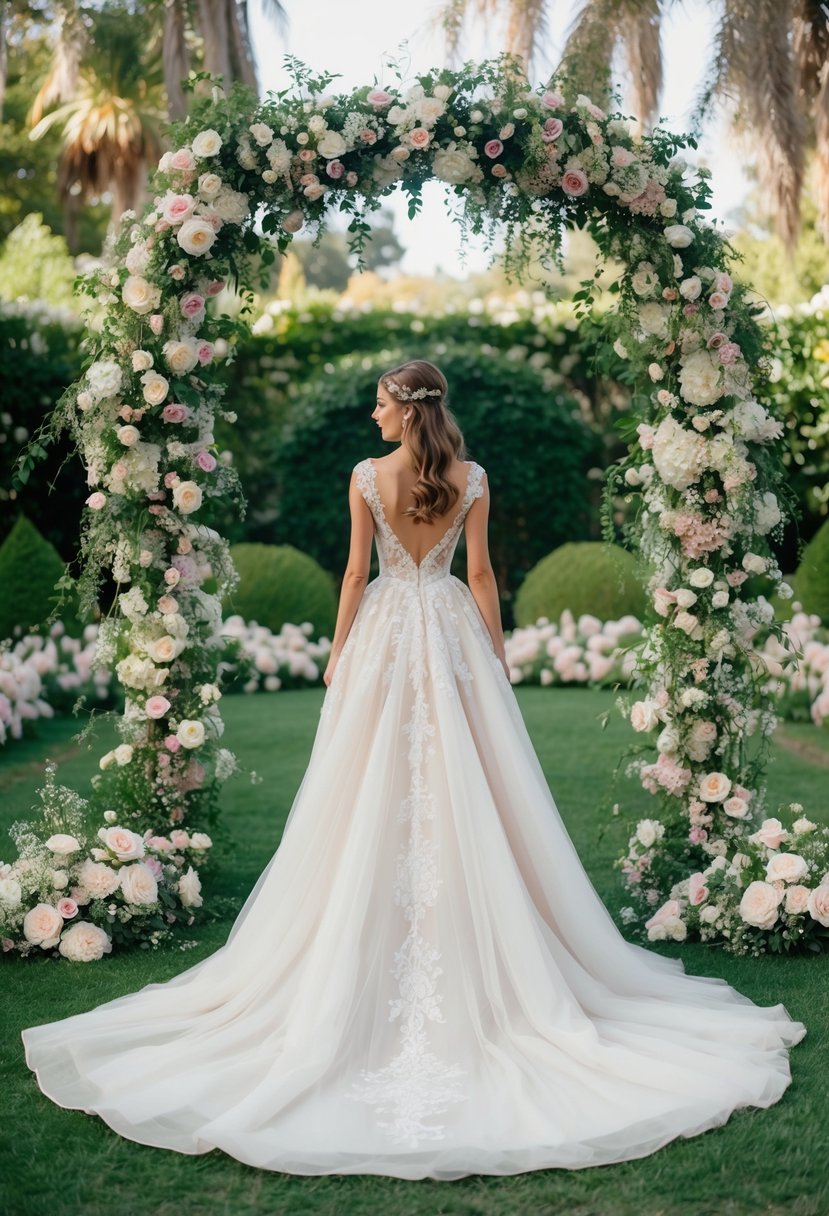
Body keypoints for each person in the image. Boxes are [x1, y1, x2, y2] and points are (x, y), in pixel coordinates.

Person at [21, 359, 806, 1181]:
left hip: (389, 631)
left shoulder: (367, 478)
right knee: (466, 776)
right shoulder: (470, 478)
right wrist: (495, 656)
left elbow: (357, 573)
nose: (371, 414)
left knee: (368, 779)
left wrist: (336, 657)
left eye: (380, 403)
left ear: (405, 409)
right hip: (450, 633)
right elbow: (479, 574)